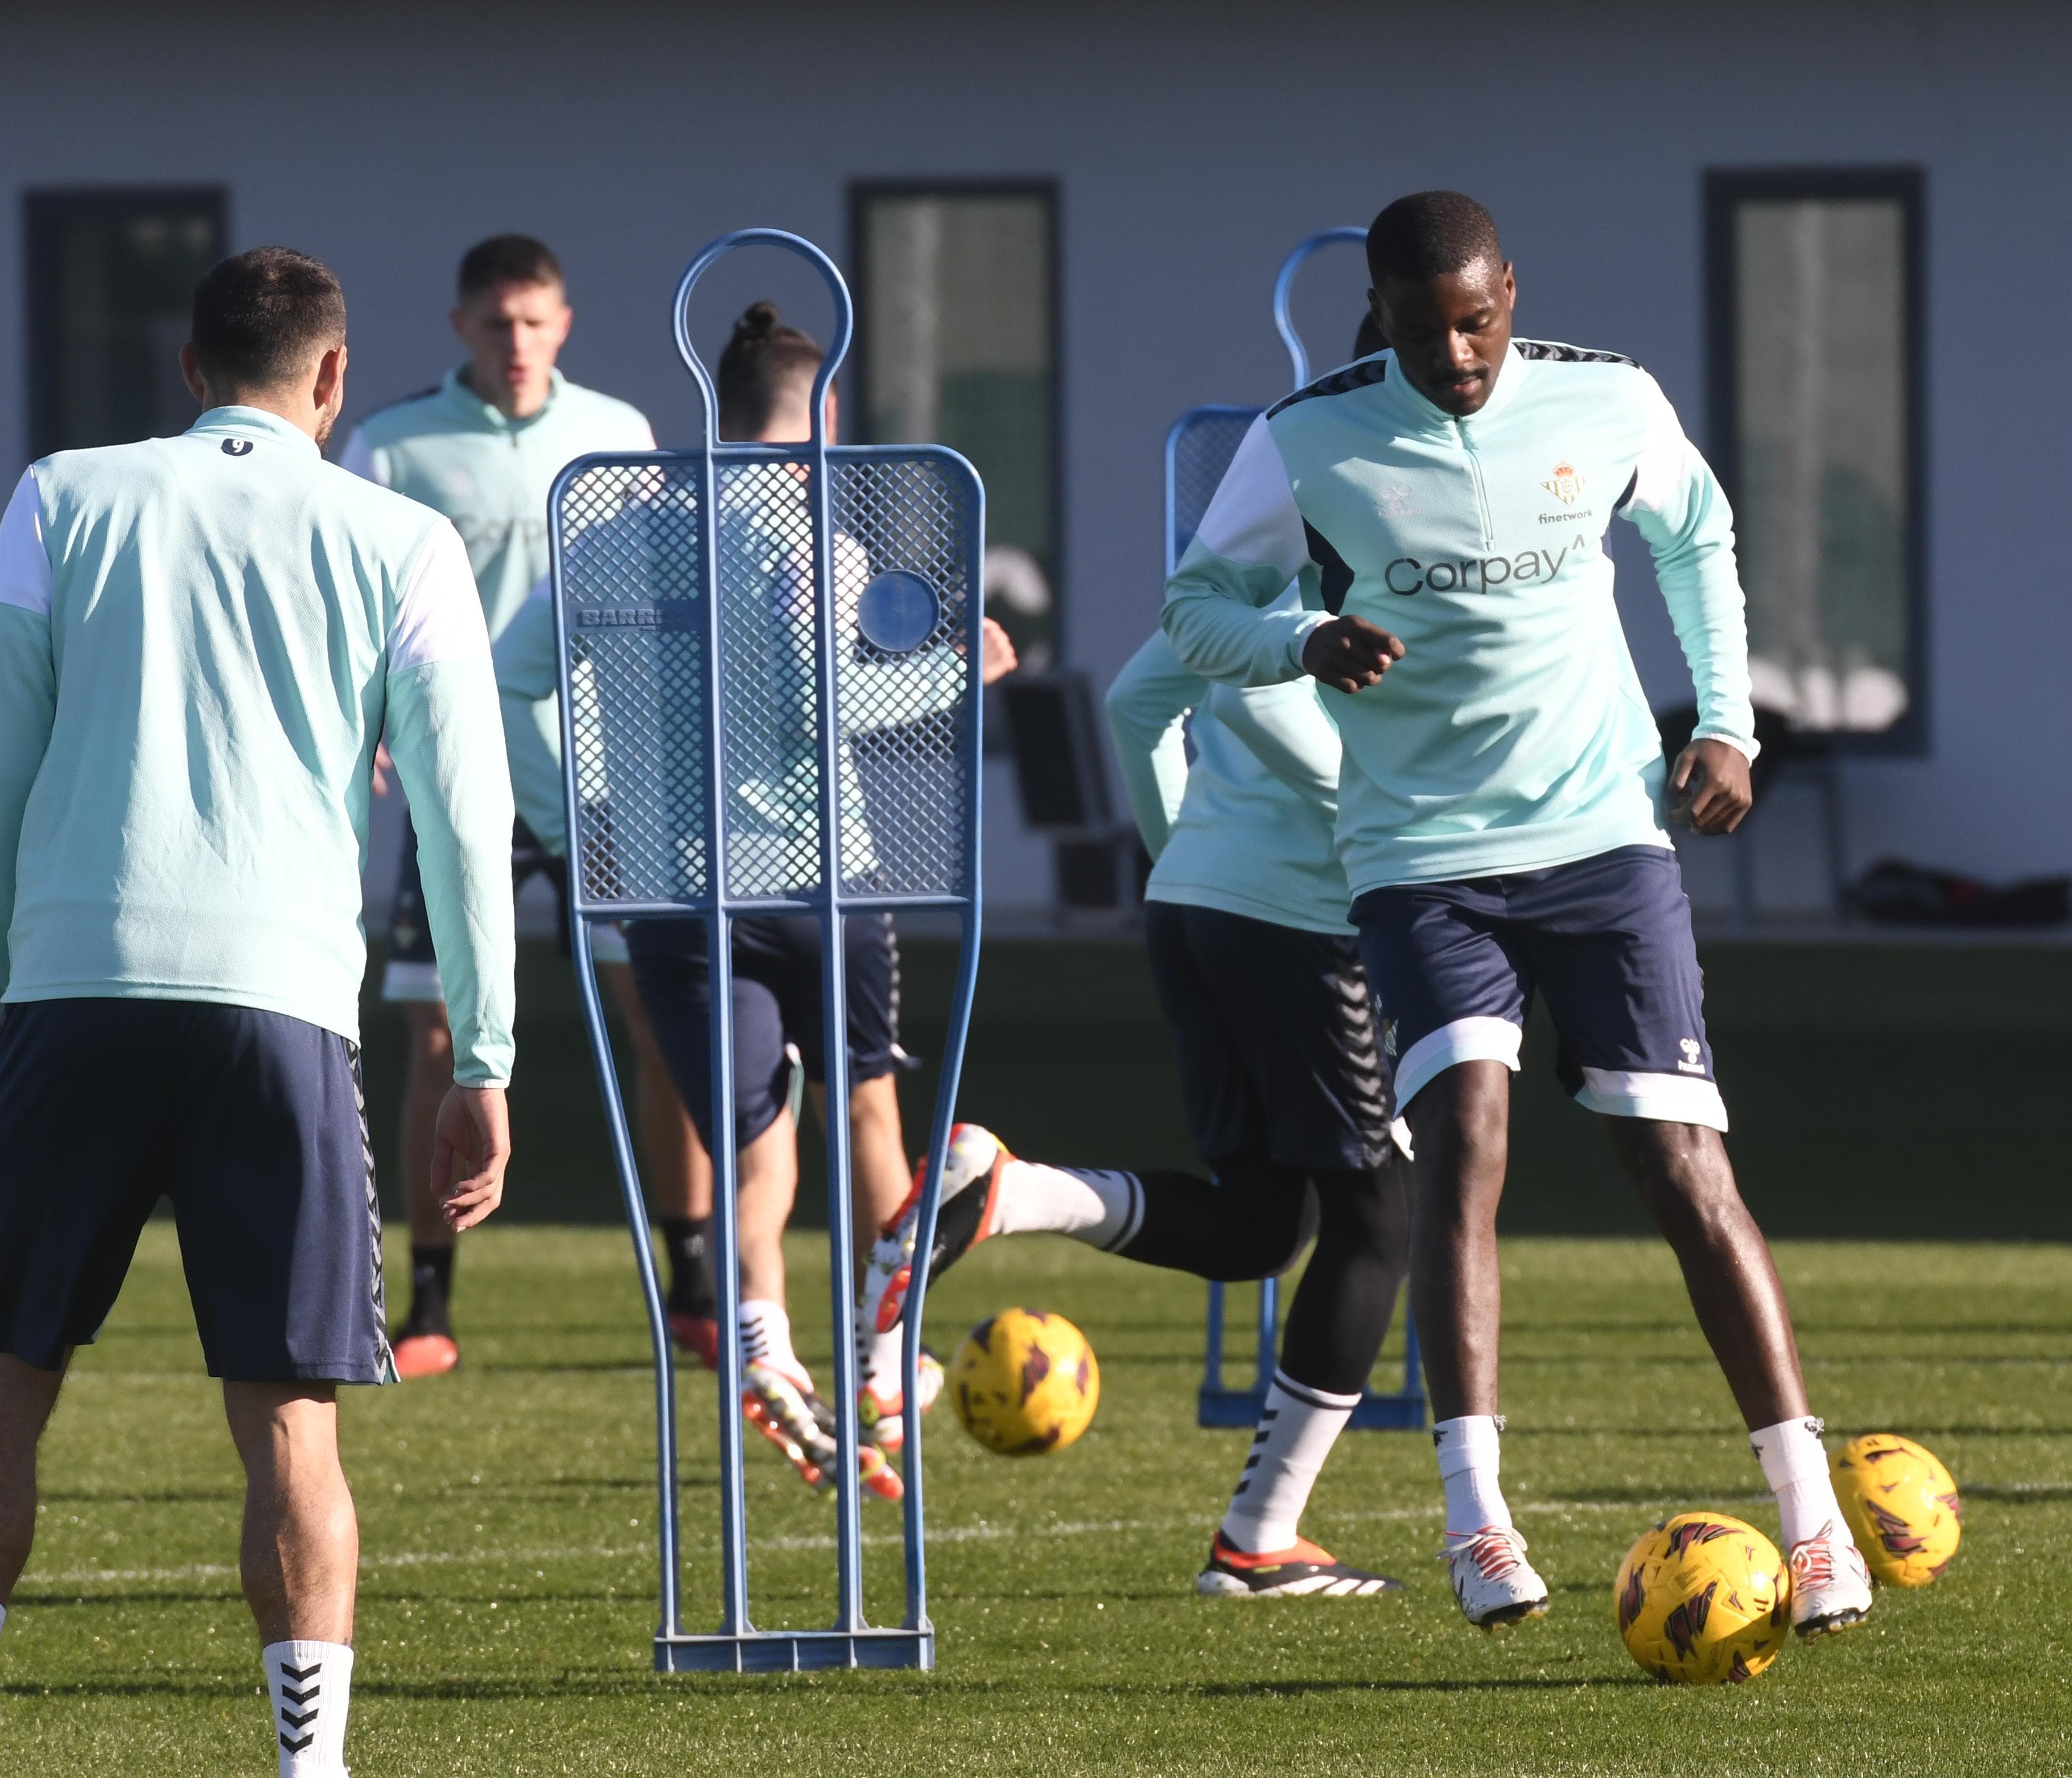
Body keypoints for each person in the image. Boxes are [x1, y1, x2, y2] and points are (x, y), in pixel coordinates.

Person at [1159, 191, 1873, 1636]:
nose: (1457, 353)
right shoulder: (1308, 438)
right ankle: (1476, 1518)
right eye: (1424, 330)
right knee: (1465, 1137)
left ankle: (1811, 1521)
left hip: (1604, 837)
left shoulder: (1606, 401)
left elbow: (1696, 538)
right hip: (1418, 857)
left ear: (1508, 292)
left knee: (1682, 1167)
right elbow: (1192, 611)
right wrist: (1302, 636)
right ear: (1384, 314)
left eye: (1475, 320)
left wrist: (1726, 724)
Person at [0, 247, 516, 1778]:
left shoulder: (60, 496)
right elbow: (470, 819)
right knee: (289, 1421)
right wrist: (485, 1052)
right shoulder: (401, 534)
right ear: (332, 379)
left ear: (192, 370)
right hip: (281, 1015)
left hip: (73, 991)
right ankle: (307, 1765)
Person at [900, 318, 1411, 1600]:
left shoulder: (1252, 549)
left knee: (1258, 1225)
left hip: (1192, 905)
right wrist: (1370, 839)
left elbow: (1142, 702)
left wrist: (1184, 852)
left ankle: (1012, 1192)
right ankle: (1257, 1538)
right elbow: (1294, 719)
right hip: (1292, 919)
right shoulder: (1349, 555)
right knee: (1377, 1217)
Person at [505, 302, 1011, 1496]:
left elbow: (511, 680)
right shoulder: (807, 539)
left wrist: (577, 817)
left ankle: (762, 1338)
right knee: (869, 1116)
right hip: (815, 873)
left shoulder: (607, 528)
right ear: (823, 413)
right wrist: (959, 670)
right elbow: (816, 707)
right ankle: (883, 1352)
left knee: (752, 1143)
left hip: (671, 891)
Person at [339, 234, 710, 1379]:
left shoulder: (619, 437)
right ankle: (430, 1303)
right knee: (437, 1037)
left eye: (534, 321)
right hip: (459, 785)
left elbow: (665, 602)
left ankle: (696, 1286)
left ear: (565, 323)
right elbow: (344, 591)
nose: (515, 343)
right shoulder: (392, 445)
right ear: (461, 327)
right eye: (495, 323)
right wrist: (368, 722)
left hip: (601, 779)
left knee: (658, 1021)